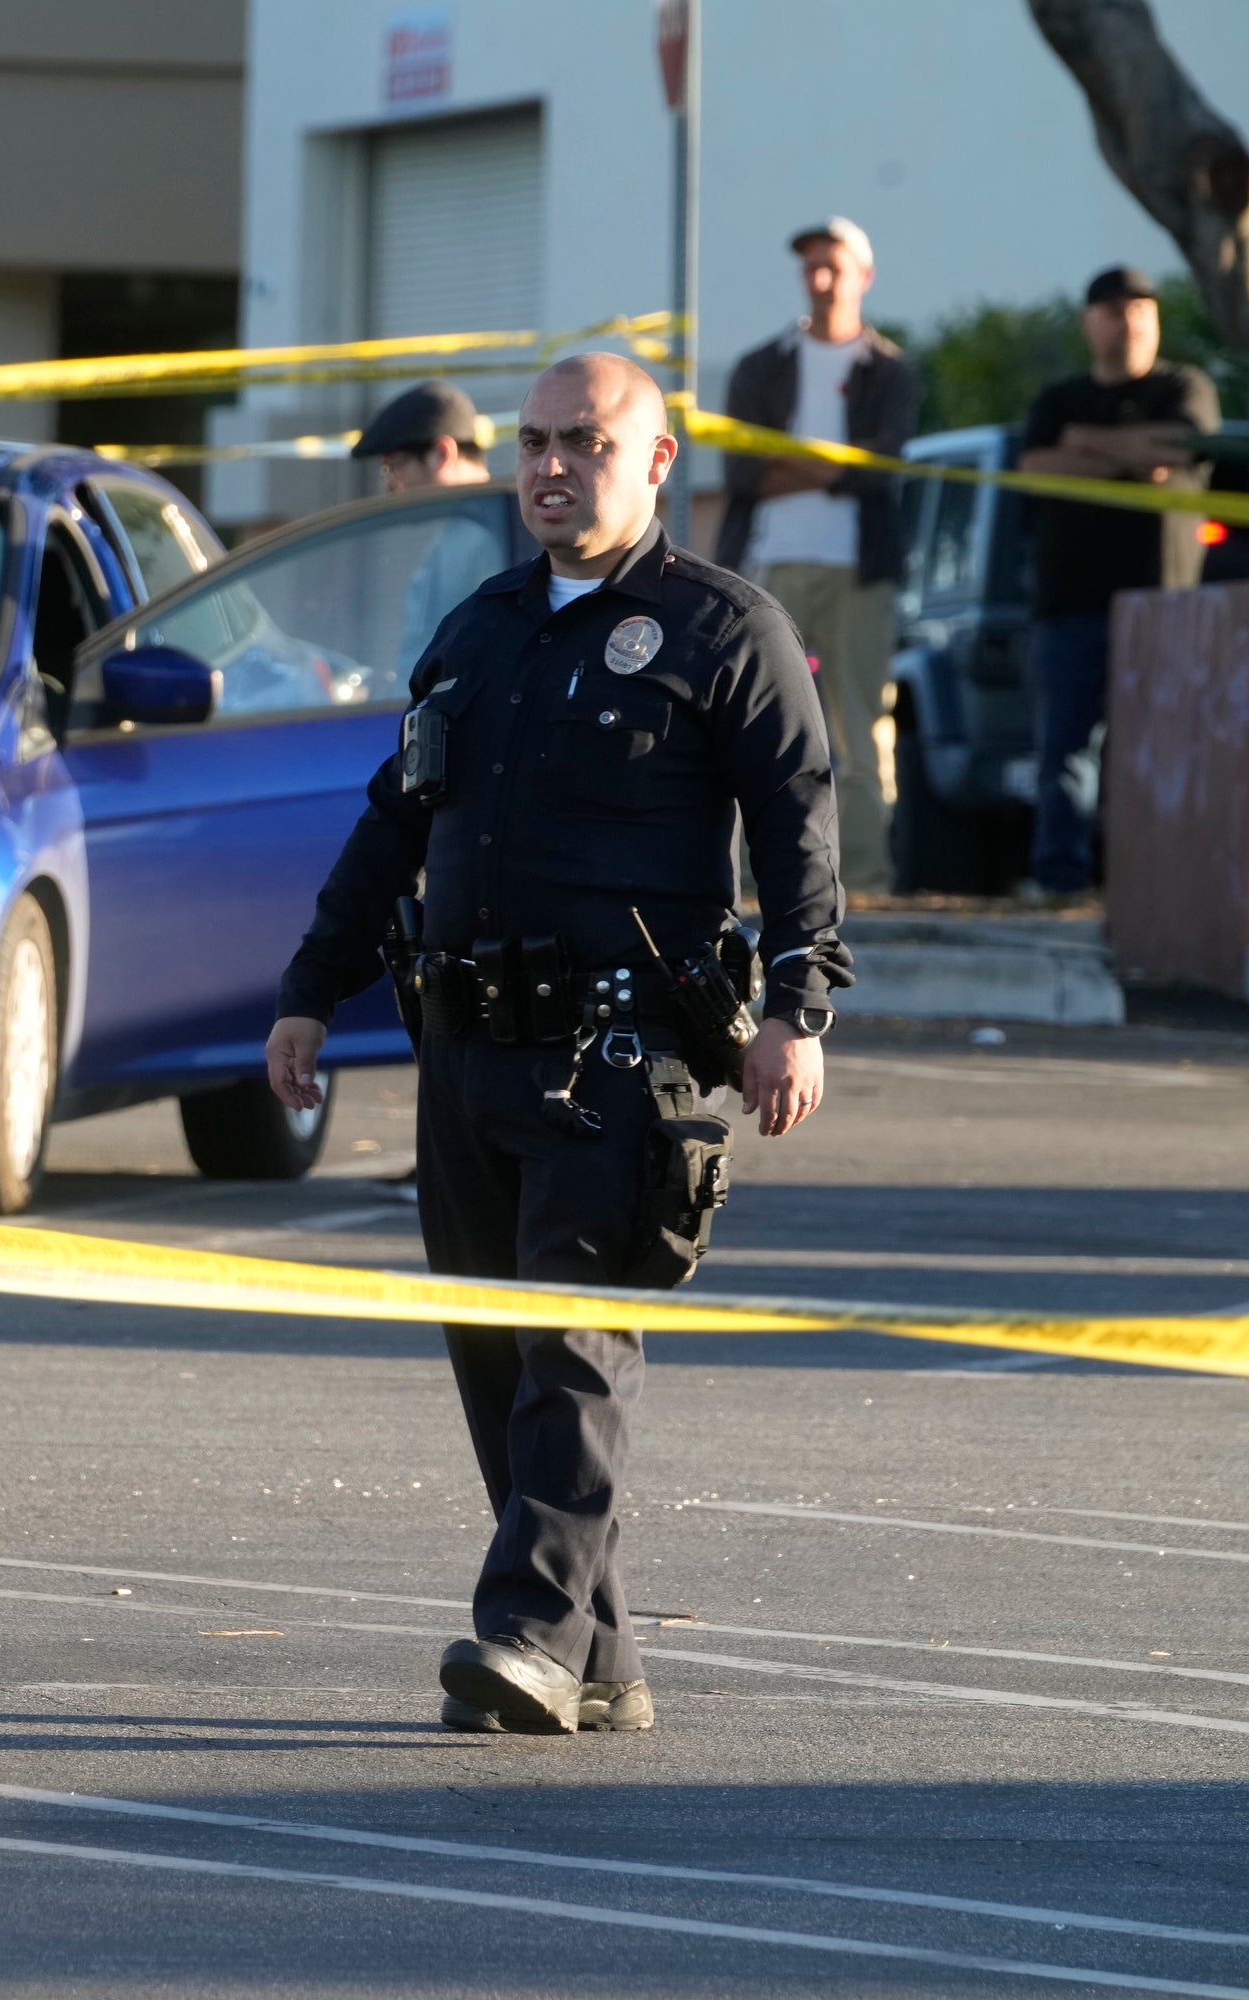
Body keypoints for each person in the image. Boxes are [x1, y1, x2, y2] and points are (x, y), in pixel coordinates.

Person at [262, 352, 849, 1737]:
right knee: (496, 1352)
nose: (549, 466)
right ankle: (599, 1657)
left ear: (656, 460)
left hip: (618, 1060)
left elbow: (799, 834)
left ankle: (526, 1629)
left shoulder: (723, 630)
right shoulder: (481, 631)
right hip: (464, 1047)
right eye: (532, 442)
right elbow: (392, 823)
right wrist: (310, 986)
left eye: (584, 440)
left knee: (573, 1345)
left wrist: (794, 1010)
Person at [714, 218, 922, 895]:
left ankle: (865, 877)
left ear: (864, 275)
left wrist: (796, 461)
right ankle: (745, 879)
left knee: (861, 728)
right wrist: (839, 468)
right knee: (753, 724)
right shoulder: (760, 364)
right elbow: (743, 475)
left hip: (860, 570)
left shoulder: (889, 370)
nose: (821, 279)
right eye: (811, 267)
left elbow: (880, 471)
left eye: (834, 266)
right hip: (765, 571)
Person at [1013, 264, 1219, 899]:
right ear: (1089, 322)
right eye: (1114, 310)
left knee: (1159, 749)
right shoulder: (1058, 400)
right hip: (1068, 604)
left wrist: (1087, 448)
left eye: (1141, 309)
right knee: (1066, 755)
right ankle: (1061, 879)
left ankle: (1156, 884)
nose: (1128, 321)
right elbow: (1035, 464)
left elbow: (1180, 450)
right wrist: (1131, 456)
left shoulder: (1183, 386)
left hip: (1162, 603)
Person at [357, 379, 505, 672]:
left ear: (441, 453)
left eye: (394, 466)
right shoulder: (465, 534)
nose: (392, 487)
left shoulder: (482, 539)